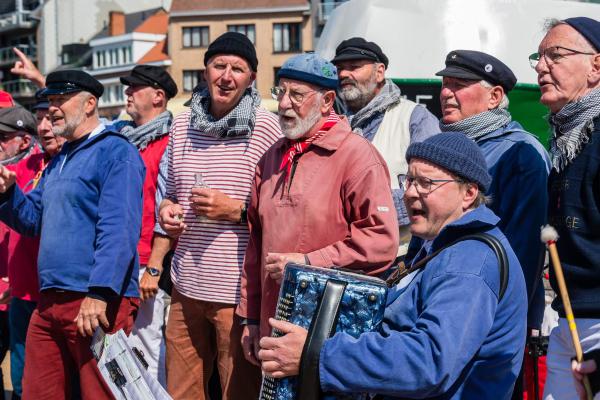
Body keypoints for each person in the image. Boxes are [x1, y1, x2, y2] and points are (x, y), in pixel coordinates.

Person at [259, 132, 527, 399]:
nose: (409, 193)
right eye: (409, 180)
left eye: (425, 183)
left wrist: (316, 354)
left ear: (468, 193)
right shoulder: (435, 244)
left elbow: (428, 362)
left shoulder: (469, 262)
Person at [237, 53, 399, 364]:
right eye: (280, 92)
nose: (284, 104)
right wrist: (251, 318)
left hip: (330, 333)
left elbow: (381, 242)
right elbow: (255, 244)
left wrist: (309, 262)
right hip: (274, 323)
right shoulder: (272, 157)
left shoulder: (357, 156)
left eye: (296, 95)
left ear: (326, 101)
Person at [0, 70, 145, 399]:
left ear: (90, 103)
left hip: (94, 300)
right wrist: (7, 194)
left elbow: (119, 229)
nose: (52, 108)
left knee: (100, 394)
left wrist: (100, 292)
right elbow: (34, 219)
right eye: (49, 100)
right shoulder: (59, 161)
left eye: (60, 100)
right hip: (50, 301)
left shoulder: (115, 152)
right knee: (38, 392)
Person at [157, 32, 281, 400]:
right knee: (182, 392)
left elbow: (279, 211)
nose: (227, 76)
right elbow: (169, 194)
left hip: (236, 294)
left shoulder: (266, 129)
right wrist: (168, 211)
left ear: (251, 79)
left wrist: (236, 210)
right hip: (185, 286)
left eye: (237, 69)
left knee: (236, 392)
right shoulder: (181, 125)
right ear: (205, 70)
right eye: (219, 65)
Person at [435, 50, 551, 334]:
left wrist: (505, 321)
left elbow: (524, 249)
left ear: (495, 97)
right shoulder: (441, 148)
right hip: (440, 300)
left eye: (459, 85)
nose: (447, 93)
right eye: (445, 84)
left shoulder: (521, 153)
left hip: (486, 314)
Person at [530, 17, 600, 400]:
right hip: (567, 324)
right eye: (538, 57)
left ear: (596, 66)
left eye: (555, 55)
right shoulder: (567, 138)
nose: (542, 67)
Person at [331, 37, 439, 254]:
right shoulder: (334, 123)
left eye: (354, 67)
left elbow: (432, 188)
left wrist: (361, 207)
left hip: (401, 259)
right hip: (344, 257)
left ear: (379, 72)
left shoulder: (414, 118)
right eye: (340, 69)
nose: (343, 75)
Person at [113, 64, 178, 388]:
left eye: (135, 88)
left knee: (147, 350)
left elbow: (165, 204)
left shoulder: (170, 142)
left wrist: (154, 264)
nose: (128, 93)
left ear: (158, 96)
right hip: (122, 258)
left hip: (146, 262)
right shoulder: (124, 139)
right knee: (121, 345)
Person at [1, 92, 65, 399]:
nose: (45, 126)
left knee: (59, 380)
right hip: (21, 291)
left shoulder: (72, 164)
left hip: (58, 293)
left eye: (52, 119)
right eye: (40, 119)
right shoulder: (26, 166)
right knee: (21, 379)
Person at [0, 105, 38, 399]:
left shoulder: (36, 169)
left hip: (33, 289)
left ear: (24, 141)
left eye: (3, 136)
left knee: (34, 379)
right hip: (15, 288)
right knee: (19, 374)